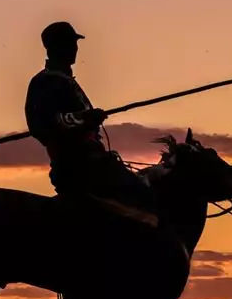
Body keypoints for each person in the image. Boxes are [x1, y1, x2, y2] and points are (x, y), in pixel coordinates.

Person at [24, 21, 156, 224]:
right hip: (77, 166)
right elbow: (44, 125)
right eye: (71, 43)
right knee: (139, 193)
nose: (76, 49)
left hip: (93, 162)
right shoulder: (45, 82)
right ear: (57, 48)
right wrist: (85, 118)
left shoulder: (65, 80)